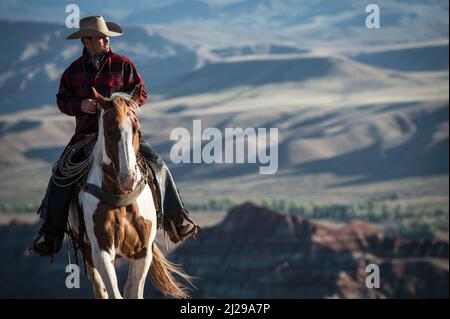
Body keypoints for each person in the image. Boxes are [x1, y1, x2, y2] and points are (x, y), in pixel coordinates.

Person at [31, 15, 199, 257]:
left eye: (106, 36)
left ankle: (176, 218)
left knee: (158, 165)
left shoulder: (123, 64)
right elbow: (62, 101)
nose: (106, 40)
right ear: (87, 41)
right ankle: (51, 233)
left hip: (122, 134)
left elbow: (141, 94)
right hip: (87, 134)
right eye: (100, 37)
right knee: (60, 174)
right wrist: (80, 105)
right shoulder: (73, 71)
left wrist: (120, 104)